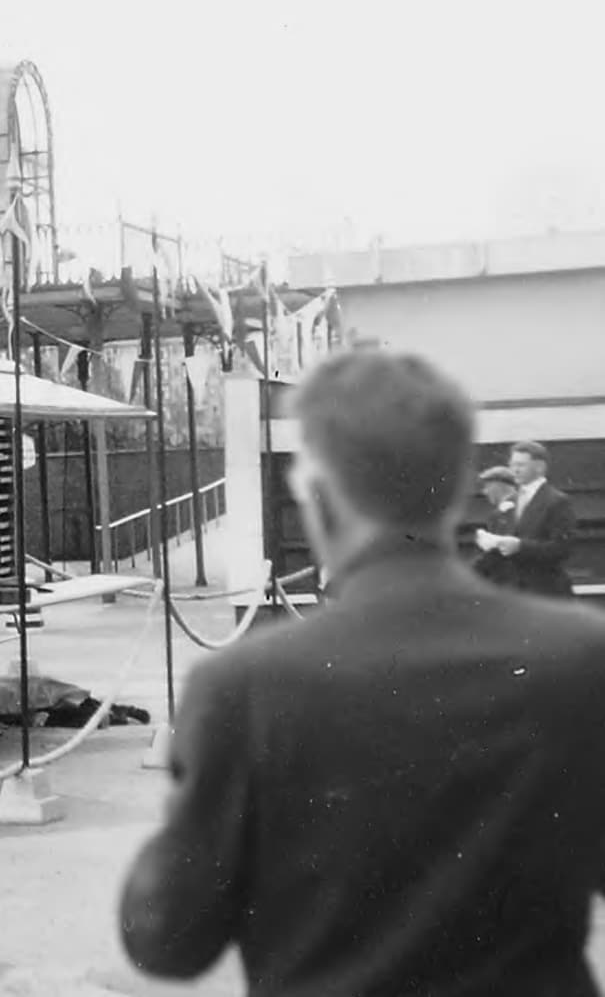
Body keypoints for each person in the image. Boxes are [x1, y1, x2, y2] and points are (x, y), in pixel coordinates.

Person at [119, 350, 605, 994]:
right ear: (457, 487)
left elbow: (167, 939)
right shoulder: (580, 657)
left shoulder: (241, 686)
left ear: (319, 498)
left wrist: (198, 798)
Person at [492, 440, 577, 597]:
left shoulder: (557, 501)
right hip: (513, 594)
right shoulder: (509, 502)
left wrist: (520, 546)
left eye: (520, 465)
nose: (514, 470)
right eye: (512, 465)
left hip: (545, 593)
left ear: (539, 467)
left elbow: (562, 548)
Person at [470, 464, 519, 587]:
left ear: (497, 486)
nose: (484, 492)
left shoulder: (506, 511)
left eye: (487, 486)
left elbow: (498, 551)